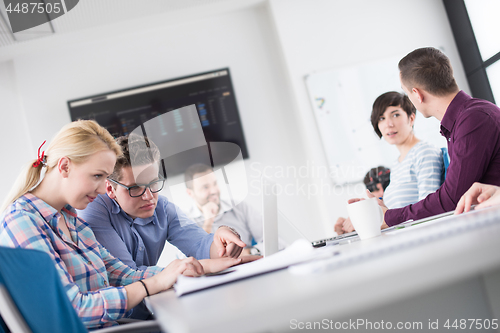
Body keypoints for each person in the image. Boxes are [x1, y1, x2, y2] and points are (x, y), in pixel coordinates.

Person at [0, 120, 223, 330]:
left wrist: (189, 268)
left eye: (104, 177)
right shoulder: (22, 221)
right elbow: (74, 309)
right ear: (65, 166)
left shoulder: (71, 220)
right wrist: (151, 285)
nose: (101, 190)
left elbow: (120, 274)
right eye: (97, 176)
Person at [341, 47, 500, 232]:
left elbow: (451, 198)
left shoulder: (474, 119)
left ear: (417, 94)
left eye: (406, 93)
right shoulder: (465, 120)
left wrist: (388, 216)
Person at [184, 163, 263, 255]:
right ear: (190, 193)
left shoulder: (239, 207)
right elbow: (189, 258)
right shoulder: (186, 221)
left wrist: (249, 252)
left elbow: (275, 241)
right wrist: (208, 222)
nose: (214, 191)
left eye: (215, 184)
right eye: (205, 187)